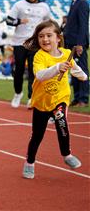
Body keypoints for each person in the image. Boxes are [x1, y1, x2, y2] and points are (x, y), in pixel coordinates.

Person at [21, 20, 87, 179]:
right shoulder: (39, 56)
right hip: (42, 102)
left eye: (49, 35)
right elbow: (40, 75)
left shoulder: (66, 54)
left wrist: (83, 76)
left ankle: (66, 155)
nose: (45, 39)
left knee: (61, 121)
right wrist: (57, 67)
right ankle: (29, 162)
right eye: (41, 36)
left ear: (58, 38)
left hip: (60, 98)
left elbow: (76, 70)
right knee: (37, 135)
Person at [6, 0, 51, 109]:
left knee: (34, 71)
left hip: (35, 44)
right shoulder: (19, 5)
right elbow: (9, 20)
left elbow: (48, 22)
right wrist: (19, 21)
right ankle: (18, 93)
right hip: (19, 42)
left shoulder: (44, 7)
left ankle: (32, 97)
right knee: (18, 70)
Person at [63, 0, 89, 107]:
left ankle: (83, 98)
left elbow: (83, 25)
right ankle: (77, 97)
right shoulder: (74, 3)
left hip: (78, 44)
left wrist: (80, 44)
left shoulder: (82, 2)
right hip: (70, 44)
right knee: (74, 70)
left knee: (82, 70)